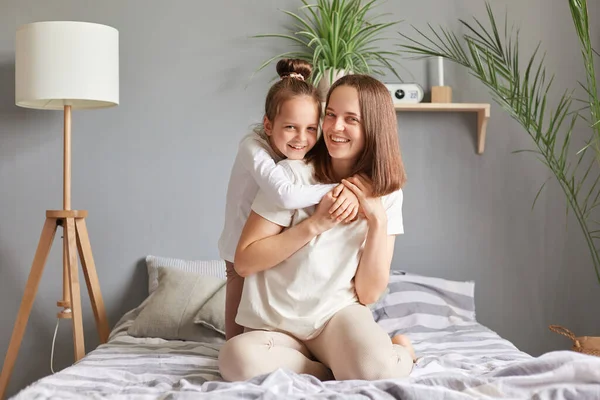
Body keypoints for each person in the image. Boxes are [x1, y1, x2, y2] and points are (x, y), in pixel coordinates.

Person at [218, 74, 415, 382]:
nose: (335, 127)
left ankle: (403, 351)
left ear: (374, 128)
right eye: (331, 115)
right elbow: (244, 261)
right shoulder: (291, 175)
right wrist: (315, 224)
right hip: (276, 323)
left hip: (336, 317)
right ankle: (321, 369)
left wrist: (377, 219)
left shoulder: (387, 196)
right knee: (235, 359)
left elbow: (369, 292)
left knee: (377, 369)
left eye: (351, 119)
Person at [218, 59, 360, 340]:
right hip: (239, 251)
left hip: (273, 245)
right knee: (236, 336)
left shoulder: (300, 153)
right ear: (268, 125)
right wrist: (340, 188)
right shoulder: (252, 146)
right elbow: (284, 194)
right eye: (291, 127)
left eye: (310, 128)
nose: (302, 138)